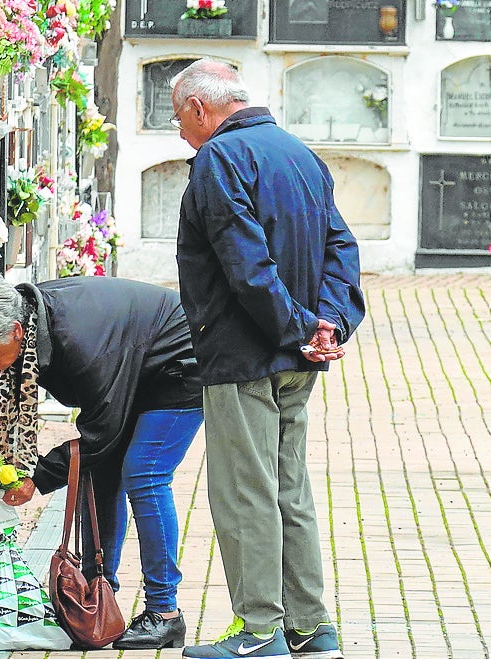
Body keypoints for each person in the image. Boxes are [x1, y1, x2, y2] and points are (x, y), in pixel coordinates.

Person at [171, 59, 366, 659]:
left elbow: (245, 264)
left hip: (244, 352)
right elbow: (341, 247)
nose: (180, 132)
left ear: (202, 109)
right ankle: (310, 626)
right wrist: (328, 324)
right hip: (297, 357)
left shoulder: (218, 161)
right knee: (290, 488)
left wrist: (300, 328)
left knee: (245, 492)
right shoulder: (299, 153)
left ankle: (258, 631)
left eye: (179, 118)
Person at [0, 274, 204, 651]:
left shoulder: (77, 339)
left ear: (16, 332)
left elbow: (101, 430)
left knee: (143, 473)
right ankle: (97, 596)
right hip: (129, 362)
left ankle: (164, 614)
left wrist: (38, 479)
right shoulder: (14, 328)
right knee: (99, 472)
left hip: (179, 361)